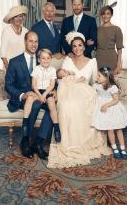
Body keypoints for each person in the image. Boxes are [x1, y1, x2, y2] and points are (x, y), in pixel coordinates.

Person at [47, 32, 111, 168]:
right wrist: (66, 77)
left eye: (80, 45)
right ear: (72, 48)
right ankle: (68, 144)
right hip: (68, 90)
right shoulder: (68, 60)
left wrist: (100, 91)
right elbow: (59, 76)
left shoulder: (92, 62)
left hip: (85, 92)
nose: (77, 48)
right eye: (74, 46)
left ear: (83, 46)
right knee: (67, 105)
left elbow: (95, 82)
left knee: (82, 104)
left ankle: (83, 143)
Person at [5, 31, 52, 160]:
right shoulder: (15, 62)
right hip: (22, 99)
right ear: (25, 42)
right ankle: (25, 140)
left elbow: (48, 81)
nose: (33, 44)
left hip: (39, 95)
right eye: (30, 41)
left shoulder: (42, 60)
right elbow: (8, 85)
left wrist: (52, 92)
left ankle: (39, 142)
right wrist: (23, 95)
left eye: (36, 41)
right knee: (35, 104)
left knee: (53, 106)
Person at [92, 67, 127, 160]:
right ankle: (115, 148)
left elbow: (116, 100)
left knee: (118, 129)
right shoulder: (96, 86)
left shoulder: (112, 87)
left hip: (113, 109)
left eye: (99, 76)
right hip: (104, 111)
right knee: (110, 129)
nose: (97, 77)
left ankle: (122, 149)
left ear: (106, 77)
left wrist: (106, 105)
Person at [27, 49, 61, 142]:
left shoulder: (52, 70)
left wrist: (45, 94)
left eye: (48, 58)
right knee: (32, 103)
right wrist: (40, 95)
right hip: (37, 91)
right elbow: (33, 85)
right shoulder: (36, 69)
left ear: (51, 59)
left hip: (47, 91)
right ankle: (27, 132)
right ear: (39, 59)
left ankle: (56, 127)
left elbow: (52, 85)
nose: (46, 60)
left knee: (51, 103)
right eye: (43, 58)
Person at [95, 6, 124, 74]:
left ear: (111, 15)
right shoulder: (97, 29)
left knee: (112, 82)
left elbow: (119, 49)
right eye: (103, 14)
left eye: (108, 14)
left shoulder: (117, 29)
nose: (105, 16)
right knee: (99, 81)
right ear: (101, 15)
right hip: (99, 58)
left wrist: (118, 65)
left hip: (112, 59)